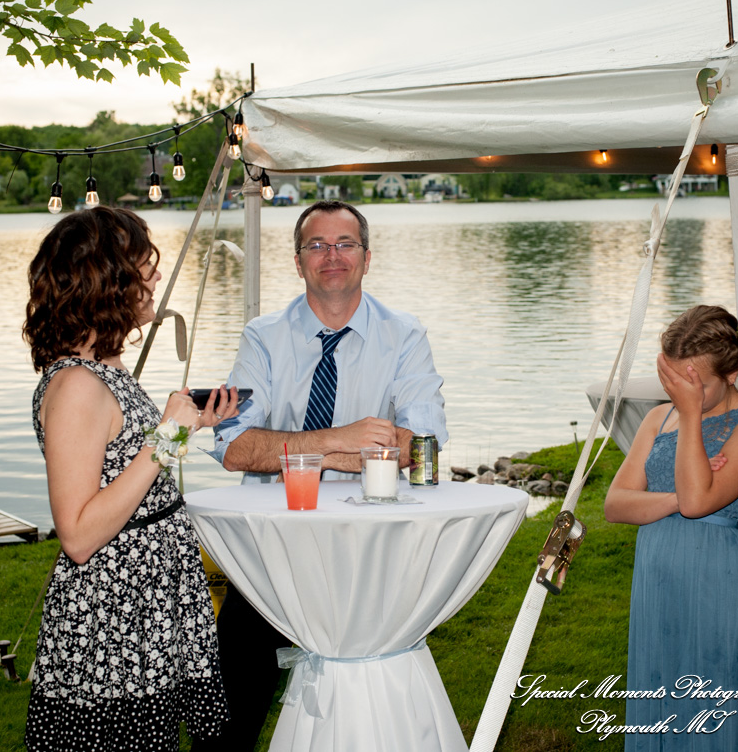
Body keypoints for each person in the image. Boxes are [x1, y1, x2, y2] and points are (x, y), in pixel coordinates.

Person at [208, 199, 448, 749]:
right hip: (274, 549)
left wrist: (295, 450)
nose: (331, 256)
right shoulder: (262, 338)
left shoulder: (405, 336)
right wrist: (344, 442)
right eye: (316, 245)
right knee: (229, 716)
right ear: (297, 262)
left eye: (345, 244)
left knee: (369, 689)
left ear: (367, 257)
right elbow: (236, 447)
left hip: (368, 548)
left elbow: (422, 444)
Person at [22, 206, 240, 752]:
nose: (157, 277)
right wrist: (167, 437)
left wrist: (189, 426)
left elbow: (133, 469)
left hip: (149, 603)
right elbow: (77, 533)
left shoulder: (107, 367)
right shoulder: (76, 384)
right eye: (147, 264)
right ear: (110, 279)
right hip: (113, 622)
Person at [604, 305, 738, 750]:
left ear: (734, 371)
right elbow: (616, 504)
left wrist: (689, 418)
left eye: (695, 383)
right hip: (658, 584)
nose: (685, 393)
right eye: (675, 382)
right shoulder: (656, 419)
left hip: (717, 588)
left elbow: (700, 503)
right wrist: (673, 498)